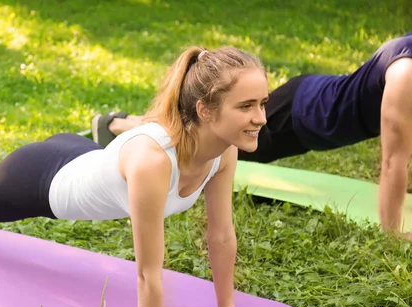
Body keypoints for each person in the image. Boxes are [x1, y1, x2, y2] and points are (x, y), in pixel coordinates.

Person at [0, 46, 275, 307]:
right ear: (205, 110)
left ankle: (112, 126)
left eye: (262, 103)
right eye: (246, 106)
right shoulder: (154, 163)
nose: (261, 117)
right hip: (42, 178)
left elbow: (221, 234)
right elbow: (148, 274)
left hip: (88, 156)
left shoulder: (224, 152)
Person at [91, 33, 412, 238]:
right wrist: (392, 235)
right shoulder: (404, 74)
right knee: (197, 133)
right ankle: (120, 124)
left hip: (314, 101)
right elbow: (393, 162)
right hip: (300, 113)